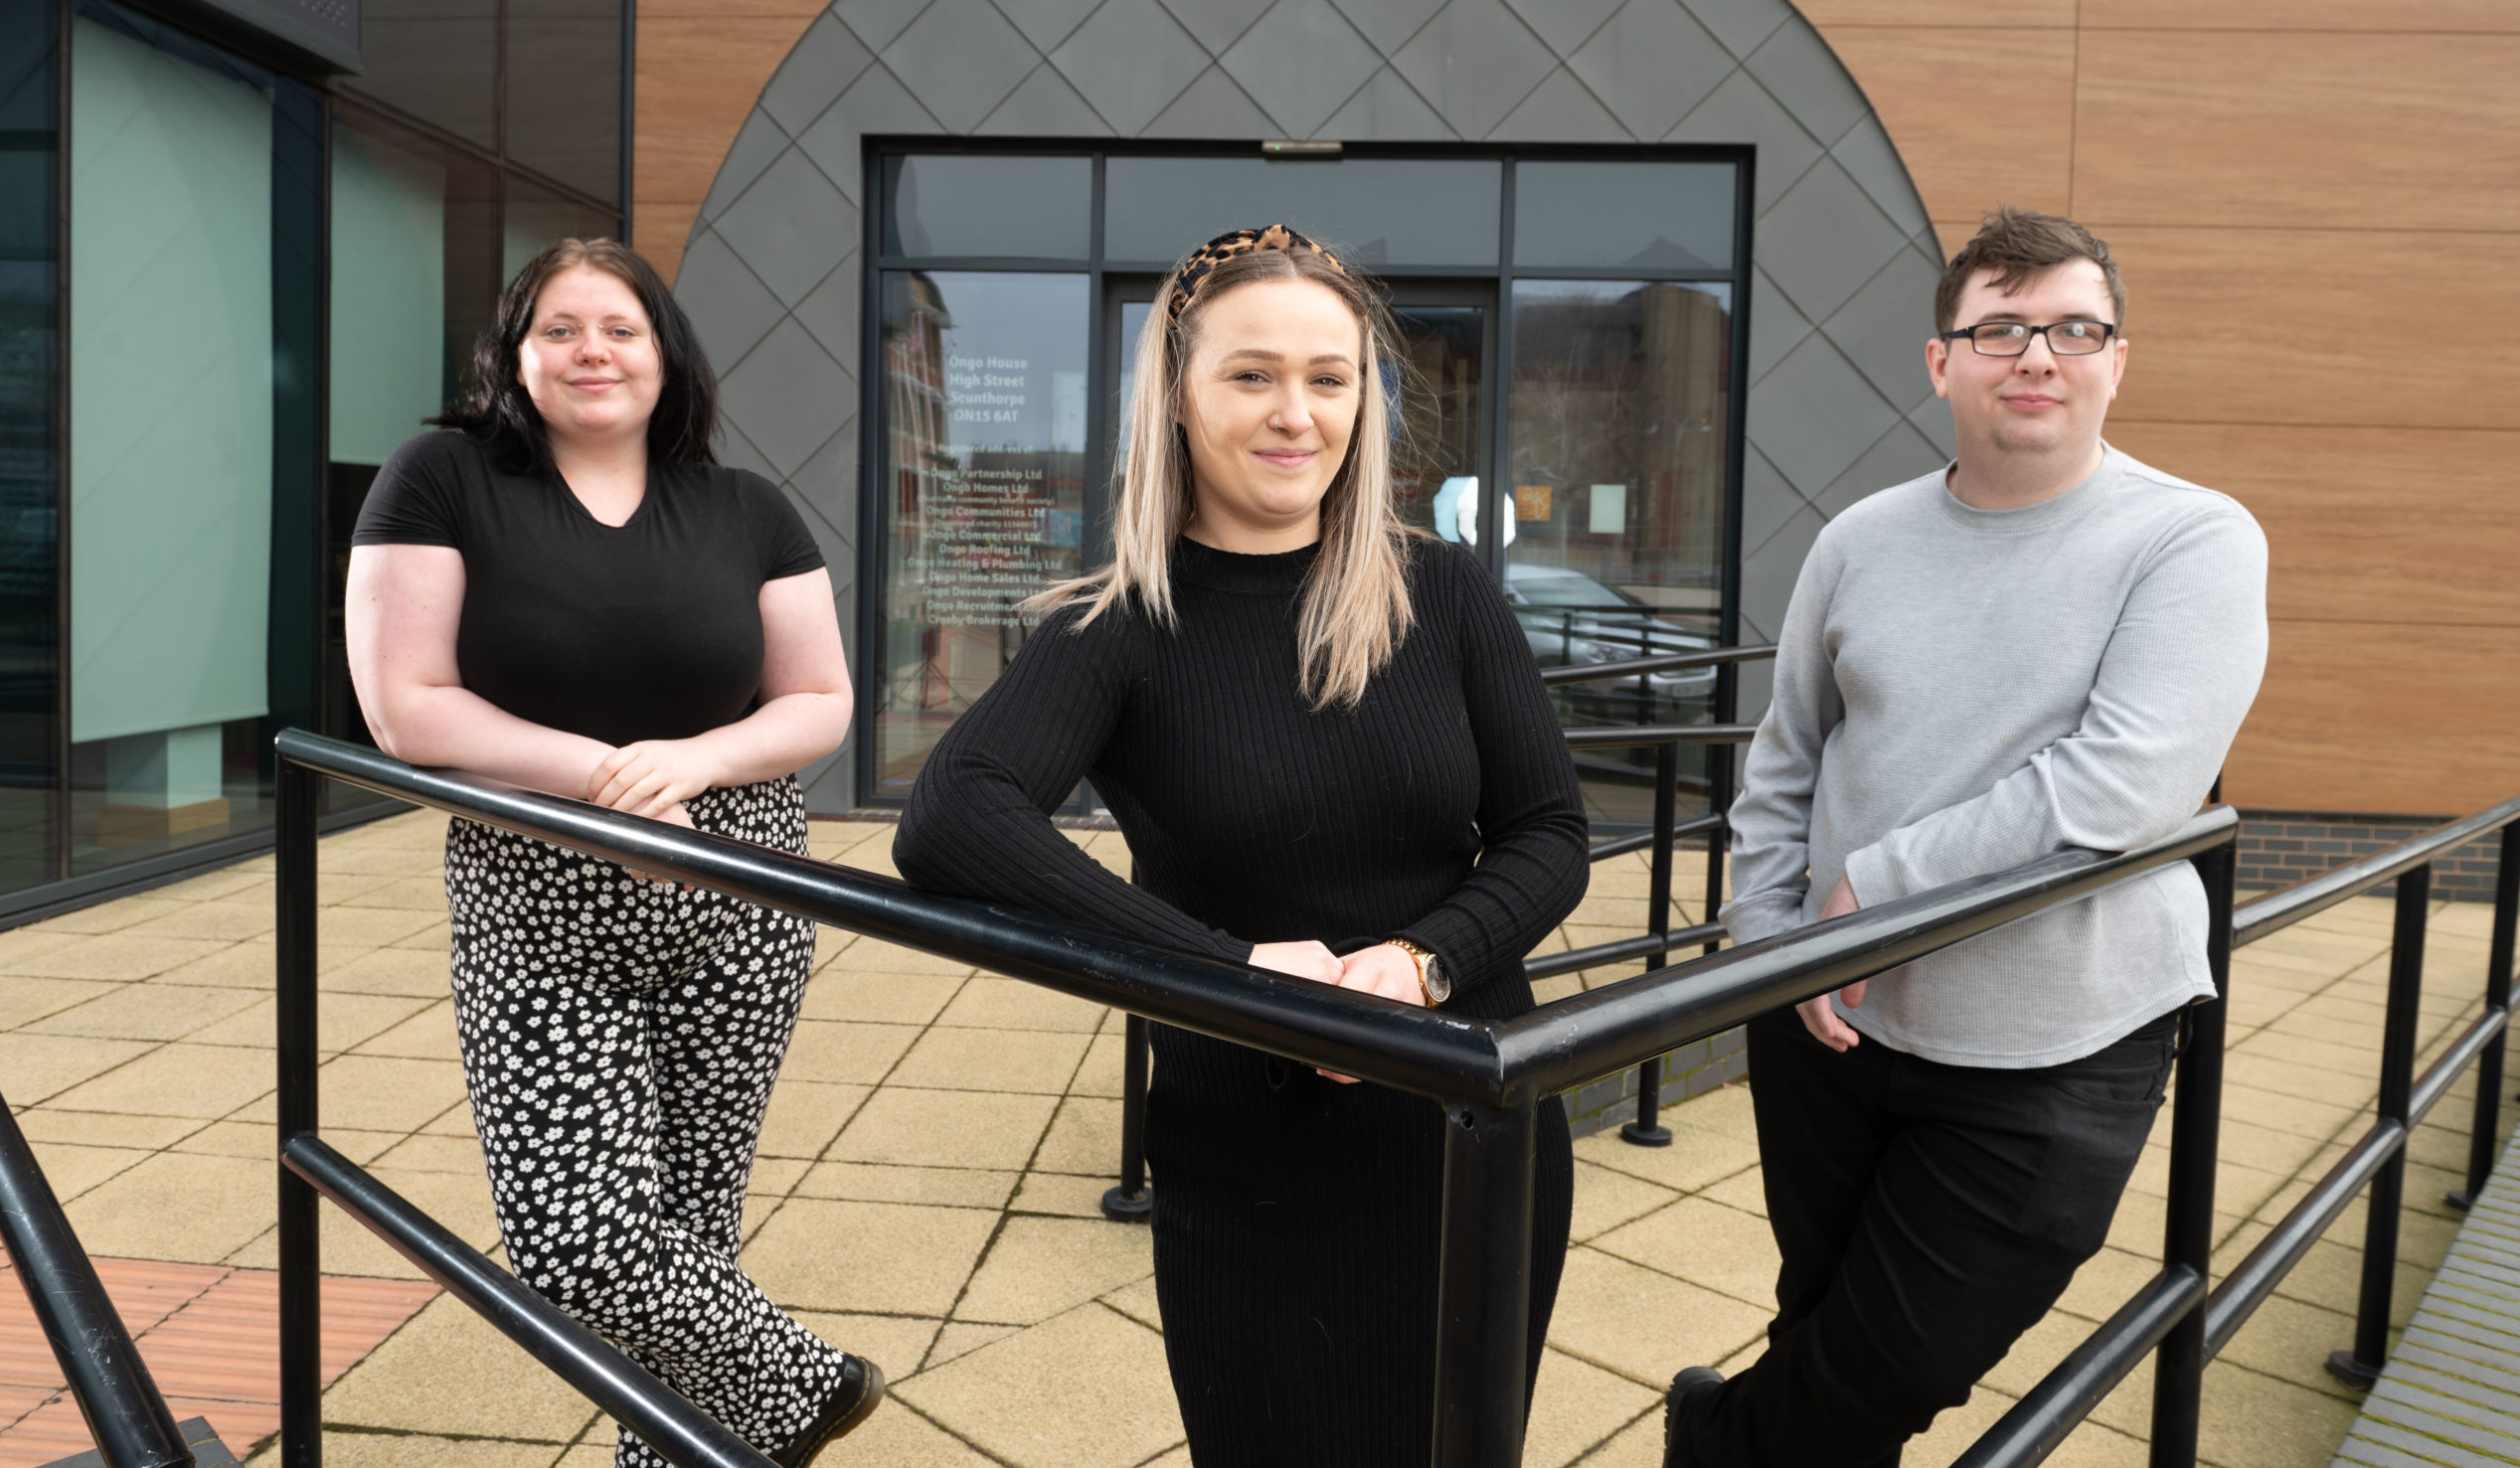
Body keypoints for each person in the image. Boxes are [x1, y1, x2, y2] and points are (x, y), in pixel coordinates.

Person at [890, 225, 1587, 1467]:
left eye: (1329, 377)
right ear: (1177, 392)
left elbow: (1550, 832)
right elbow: (953, 814)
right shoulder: (1121, 621)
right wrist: (1238, 974)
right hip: (1250, 1147)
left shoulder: (1448, 591)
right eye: (1251, 373)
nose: (1296, 413)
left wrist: (1421, 959)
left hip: (1469, 1122)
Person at [1663, 207, 2269, 1466]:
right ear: (1941, 360)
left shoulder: (2191, 538)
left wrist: (1870, 893)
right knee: (1825, 1327)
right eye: (1999, 326)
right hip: (1833, 1027)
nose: (2036, 354)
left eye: (2072, 327)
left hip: (2055, 1043)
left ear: (2116, 358)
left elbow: (2122, 783)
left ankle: (1713, 1437)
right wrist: (1771, 944)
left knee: (1901, 1358)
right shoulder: (1859, 538)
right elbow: (1784, 757)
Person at [345, 238, 882, 1466]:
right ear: (514, 356)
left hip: (736, 877)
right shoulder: (441, 476)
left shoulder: (745, 506)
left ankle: (684, 1454)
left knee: (691, 1228)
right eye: (560, 327)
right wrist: (602, 783)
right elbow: (405, 703)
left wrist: (688, 765)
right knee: (576, 1234)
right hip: (537, 875)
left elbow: (818, 700)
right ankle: (799, 1384)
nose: (593, 349)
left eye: (621, 327)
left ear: (665, 353)